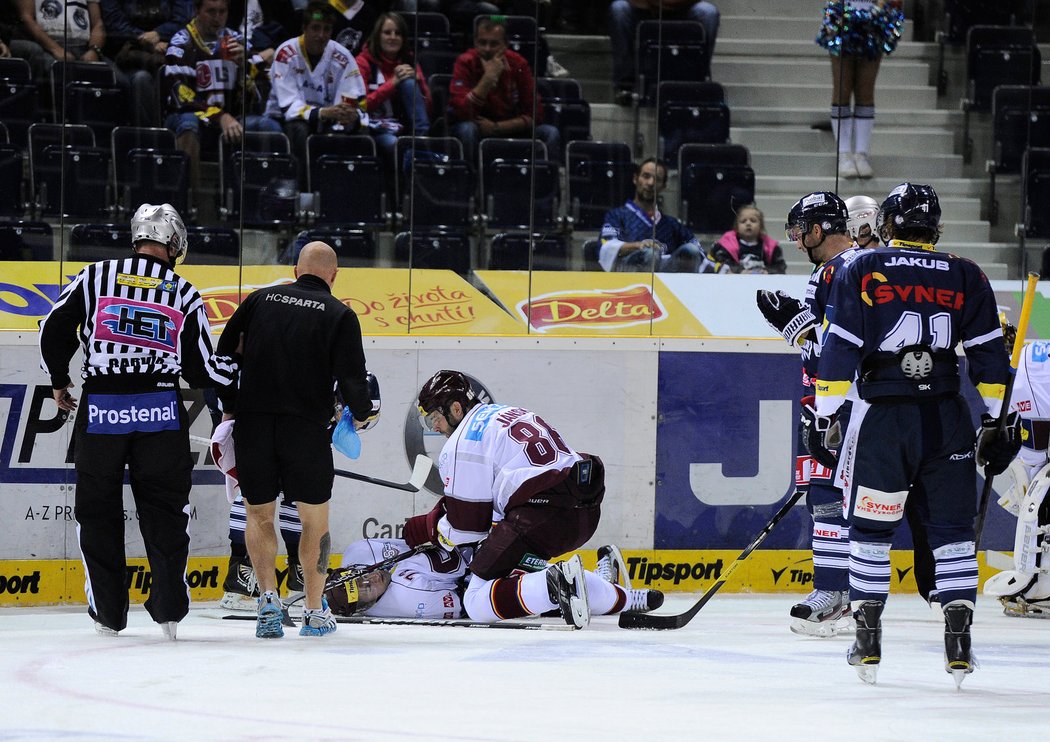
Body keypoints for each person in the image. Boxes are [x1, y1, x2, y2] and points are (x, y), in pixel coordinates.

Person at [807, 182, 1020, 686]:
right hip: (947, 418)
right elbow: (990, 359)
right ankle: (959, 644)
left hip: (884, 420)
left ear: (888, 225)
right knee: (950, 535)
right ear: (937, 227)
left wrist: (825, 416)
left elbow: (839, 351)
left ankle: (867, 640)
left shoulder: (862, 266)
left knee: (871, 531)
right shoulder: (967, 273)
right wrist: (996, 420)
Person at [38, 203, 239, 639]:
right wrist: (237, 388)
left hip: (101, 406)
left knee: (97, 512)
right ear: (175, 242)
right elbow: (202, 368)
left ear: (137, 237)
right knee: (167, 511)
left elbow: (52, 328)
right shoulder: (184, 292)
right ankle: (168, 612)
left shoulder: (95, 276)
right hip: (160, 409)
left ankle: (108, 615)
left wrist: (58, 380)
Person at [409, 370, 662, 628]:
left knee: (475, 601)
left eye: (435, 419)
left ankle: (555, 584)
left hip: (540, 516)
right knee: (524, 582)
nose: (435, 428)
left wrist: (429, 528)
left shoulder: (462, 441)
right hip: (584, 510)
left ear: (455, 408)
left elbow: (467, 531)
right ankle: (629, 598)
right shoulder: (508, 413)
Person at [215, 241, 377, 639]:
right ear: (334, 276)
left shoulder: (258, 300)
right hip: (305, 431)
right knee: (314, 523)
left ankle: (267, 600)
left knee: (259, 515)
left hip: (254, 426)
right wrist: (362, 413)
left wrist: (232, 406)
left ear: (294, 270)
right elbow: (356, 385)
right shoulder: (340, 314)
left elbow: (223, 356)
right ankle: (313, 612)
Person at [757, 192, 859, 637]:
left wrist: (793, 327)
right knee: (824, 494)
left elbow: (835, 350)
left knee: (835, 496)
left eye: (801, 232)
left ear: (819, 229)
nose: (797, 243)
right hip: (831, 399)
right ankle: (835, 591)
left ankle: (842, 592)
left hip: (848, 402)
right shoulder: (834, 270)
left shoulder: (846, 269)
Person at [325, 537, 662, 622]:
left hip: (477, 553)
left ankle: (610, 586)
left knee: (552, 575)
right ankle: (623, 596)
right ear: (364, 608)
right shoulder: (400, 604)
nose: (372, 581)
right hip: (477, 583)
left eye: (363, 578)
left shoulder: (362, 552)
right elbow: (460, 599)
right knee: (554, 590)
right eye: (366, 592)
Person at [163, 0, 283, 212]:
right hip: (189, 116)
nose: (217, 17)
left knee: (270, 127)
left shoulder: (236, 41)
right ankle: (190, 207)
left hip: (230, 120)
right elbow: (182, 96)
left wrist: (244, 66)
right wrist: (220, 117)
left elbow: (257, 94)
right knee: (188, 124)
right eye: (211, 11)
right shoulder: (181, 44)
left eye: (222, 11)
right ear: (197, 11)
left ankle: (267, 208)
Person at [263, 1, 366, 189]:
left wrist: (348, 114)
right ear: (304, 28)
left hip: (327, 118)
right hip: (284, 118)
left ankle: (334, 195)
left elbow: (353, 96)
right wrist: (323, 113)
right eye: (315, 28)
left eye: (327, 29)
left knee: (347, 132)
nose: (321, 35)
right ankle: (299, 191)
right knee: (300, 129)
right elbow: (289, 106)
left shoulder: (342, 55)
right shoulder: (286, 53)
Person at [985, 336, 1050, 617]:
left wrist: (1027, 495)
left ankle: (1043, 587)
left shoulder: (1022, 373)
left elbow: (1036, 453)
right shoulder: (1029, 359)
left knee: (1041, 491)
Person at [447, 15, 560, 166]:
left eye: (494, 44)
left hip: (508, 126)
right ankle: (470, 186)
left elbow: (535, 114)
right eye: (482, 43)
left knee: (550, 133)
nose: (487, 49)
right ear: (475, 42)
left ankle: (545, 188)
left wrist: (496, 128)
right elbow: (462, 112)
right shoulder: (465, 62)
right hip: (477, 126)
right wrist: (487, 79)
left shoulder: (518, 63)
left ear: (505, 45)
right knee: (466, 129)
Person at [816, 0, 905, 179]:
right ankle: (844, 154)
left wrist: (879, 9)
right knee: (842, 87)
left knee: (866, 89)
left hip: (875, 21)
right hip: (843, 18)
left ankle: (861, 154)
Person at [598, 157, 718, 273]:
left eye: (657, 179)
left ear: (664, 186)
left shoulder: (671, 224)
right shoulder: (617, 216)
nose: (651, 183)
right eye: (646, 176)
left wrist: (723, 270)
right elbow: (606, 247)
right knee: (650, 253)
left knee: (691, 250)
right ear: (635, 179)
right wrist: (638, 246)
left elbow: (699, 252)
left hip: (665, 283)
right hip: (629, 280)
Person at [608, 0, 720, 106]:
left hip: (682, 9)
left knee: (708, 13)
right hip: (645, 10)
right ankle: (626, 87)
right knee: (619, 9)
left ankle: (698, 86)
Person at [355, 12, 430, 168]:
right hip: (374, 128)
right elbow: (361, 105)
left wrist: (419, 82)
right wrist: (393, 83)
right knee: (394, 144)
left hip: (405, 128)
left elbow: (428, 107)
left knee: (409, 83)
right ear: (378, 36)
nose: (393, 37)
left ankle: (422, 142)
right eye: (387, 32)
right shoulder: (363, 62)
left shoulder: (409, 60)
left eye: (398, 33)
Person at [102, 0, 194, 126]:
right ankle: (147, 139)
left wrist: (159, 34)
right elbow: (114, 23)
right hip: (126, 54)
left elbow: (184, 19)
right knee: (142, 79)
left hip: (167, 48)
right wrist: (145, 40)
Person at [710, 204, 786, 274]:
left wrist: (768, 272)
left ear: (761, 226)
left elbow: (780, 267)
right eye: (743, 221)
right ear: (736, 227)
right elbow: (720, 263)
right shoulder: (727, 246)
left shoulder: (770, 247)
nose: (748, 224)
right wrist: (740, 271)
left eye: (753, 220)